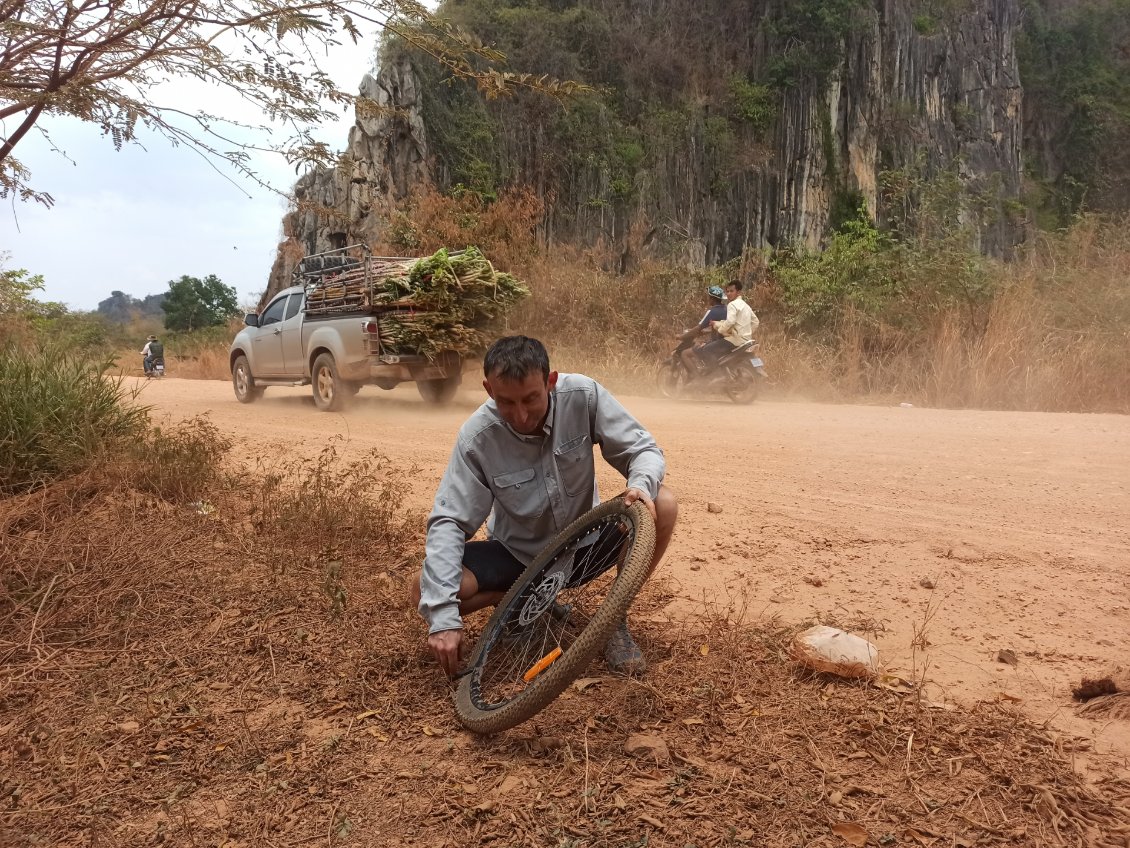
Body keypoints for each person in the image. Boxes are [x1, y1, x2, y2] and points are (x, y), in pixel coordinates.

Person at [411, 335, 678, 678]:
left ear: (550, 382)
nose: (520, 415)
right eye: (506, 402)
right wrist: (444, 620)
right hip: (520, 559)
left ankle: (614, 620)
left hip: (586, 546)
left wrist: (639, 486)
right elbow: (449, 522)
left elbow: (643, 450)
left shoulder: (582, 395)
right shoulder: (477, 437)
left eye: (531, 399)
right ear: (488, 389)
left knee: (664, 503)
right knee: (425, 587)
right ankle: (525, 602)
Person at [696, 279, 758, 370]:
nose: (728, 293)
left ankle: (717, 375)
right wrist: (746, 333)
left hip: (735, 340)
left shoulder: (732, 305)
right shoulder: (745, 305)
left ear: (738, 292)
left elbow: (730, 322)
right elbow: (756, 321)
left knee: (707, 349)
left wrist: (720, 331)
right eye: (727, 291)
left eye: (731, 291)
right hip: (746, 340)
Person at [679, 285, 728, 376]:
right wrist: (706, 332)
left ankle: (697, 380)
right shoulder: (726, 309)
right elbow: (720, 326)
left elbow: (698, 328)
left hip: (716, 343)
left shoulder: (712, 311)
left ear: (712, 299)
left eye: (709, 297)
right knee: (700, 343)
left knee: (685, 354)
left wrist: (681, 337)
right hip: (725, 342)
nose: (708, 299)